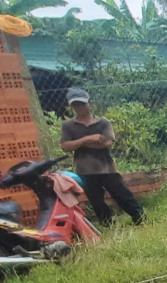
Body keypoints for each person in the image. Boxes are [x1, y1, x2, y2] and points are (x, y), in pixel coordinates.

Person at [59, 88, 144, 226]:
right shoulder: (68, 125)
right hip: (85, 170)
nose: (79, 108)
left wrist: (79, 144)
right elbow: (65, 147)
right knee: (96, 201)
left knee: (122, 195)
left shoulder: (103, 122)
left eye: (82, 104)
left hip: (107, 167)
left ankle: (140, 219)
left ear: (89, 104)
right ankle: (107, 225)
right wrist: (88, 139)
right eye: (76, 105)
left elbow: (108, 143)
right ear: (71, 106)